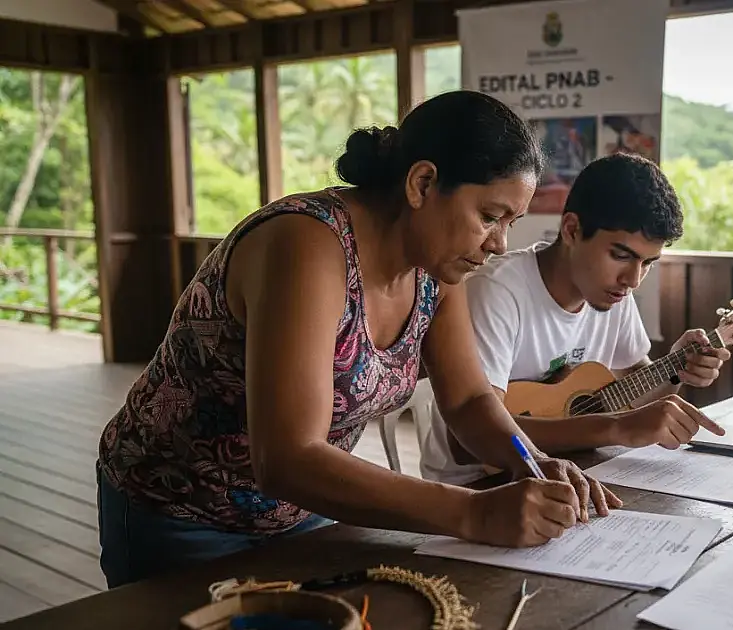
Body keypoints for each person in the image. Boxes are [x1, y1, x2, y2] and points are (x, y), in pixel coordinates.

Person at [94, 90, 621, 588]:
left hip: (306, 510)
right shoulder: (306, 244)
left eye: (511, 222)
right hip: (181, 511)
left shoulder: (435, 268)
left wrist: (529, 459)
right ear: (422, 184)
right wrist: (472, 511)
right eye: (489, 216)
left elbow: (468, 399)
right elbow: (288, 458)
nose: (499, 244)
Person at [418, 152, 730, 485]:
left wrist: (674, 370)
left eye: (648, 263)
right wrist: (614, 428)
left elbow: (636, 393)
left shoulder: (613, 293)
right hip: (479, 486)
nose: (633, 279)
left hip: (569, 468)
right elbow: (468, 442)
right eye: (620, 255)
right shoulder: (498, 291)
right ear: (571, 230)